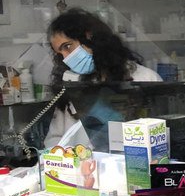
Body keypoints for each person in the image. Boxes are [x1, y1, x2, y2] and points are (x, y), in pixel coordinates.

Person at [44, 8, 162, 148]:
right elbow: (54, 139)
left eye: (67, 46)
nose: (65, 58)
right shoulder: (73, 86)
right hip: (81, 167)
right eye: (60, 53)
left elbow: (160, 139)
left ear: (90, 36)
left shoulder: (145, 78)